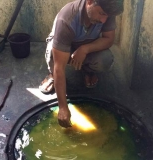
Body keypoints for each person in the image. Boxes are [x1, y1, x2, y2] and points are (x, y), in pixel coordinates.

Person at [39, 0, 124, 128]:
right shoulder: (67, 19)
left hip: (86, 45)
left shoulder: (107, 11)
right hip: (63, 49)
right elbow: (59, 68)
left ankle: (89, 71)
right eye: (101, 14)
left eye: (106, 16)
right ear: (89, 2)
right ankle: (52, 75)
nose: (103, 21)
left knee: (105, 60)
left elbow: (109, 39)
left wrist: (85, 49)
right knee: (55, 63)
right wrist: (62, 107)